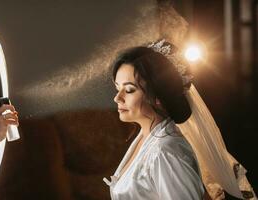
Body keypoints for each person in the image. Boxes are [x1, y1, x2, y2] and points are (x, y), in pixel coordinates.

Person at [103, 39, 256, 200]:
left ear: (158, 95)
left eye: (129, 90)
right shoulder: (147, 136)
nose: (117, 98)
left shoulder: (167, 151)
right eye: (117, 88)